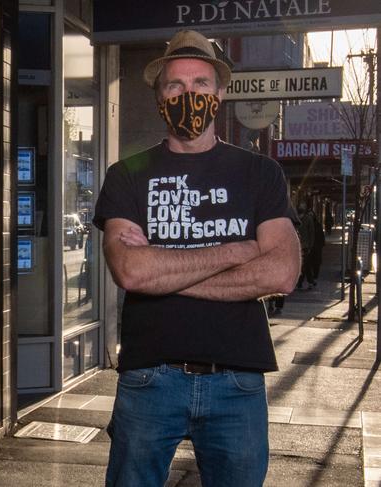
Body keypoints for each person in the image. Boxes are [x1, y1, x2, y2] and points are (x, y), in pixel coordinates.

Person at [93, 30, 300, 487]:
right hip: (149, 376)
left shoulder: (260, 173)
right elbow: (129, 269)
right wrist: (237, 251)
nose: (189, 95)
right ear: (159, 97)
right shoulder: (127, 174)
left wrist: (161, 270)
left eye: (200, 84)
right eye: (175, 86)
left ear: (219, 93)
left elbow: (282, 272)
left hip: (238, 381)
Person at [296, 201, 316, 290]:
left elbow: (311, 233)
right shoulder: (295, 217)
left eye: (303, 206)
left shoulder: (308, 219)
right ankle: (307, 282)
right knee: (303, 265)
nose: (301, 207)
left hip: (305, 246)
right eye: (300, 205)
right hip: (296, 245)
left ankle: (303, 282)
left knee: (304, 265)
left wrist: (310, 245)